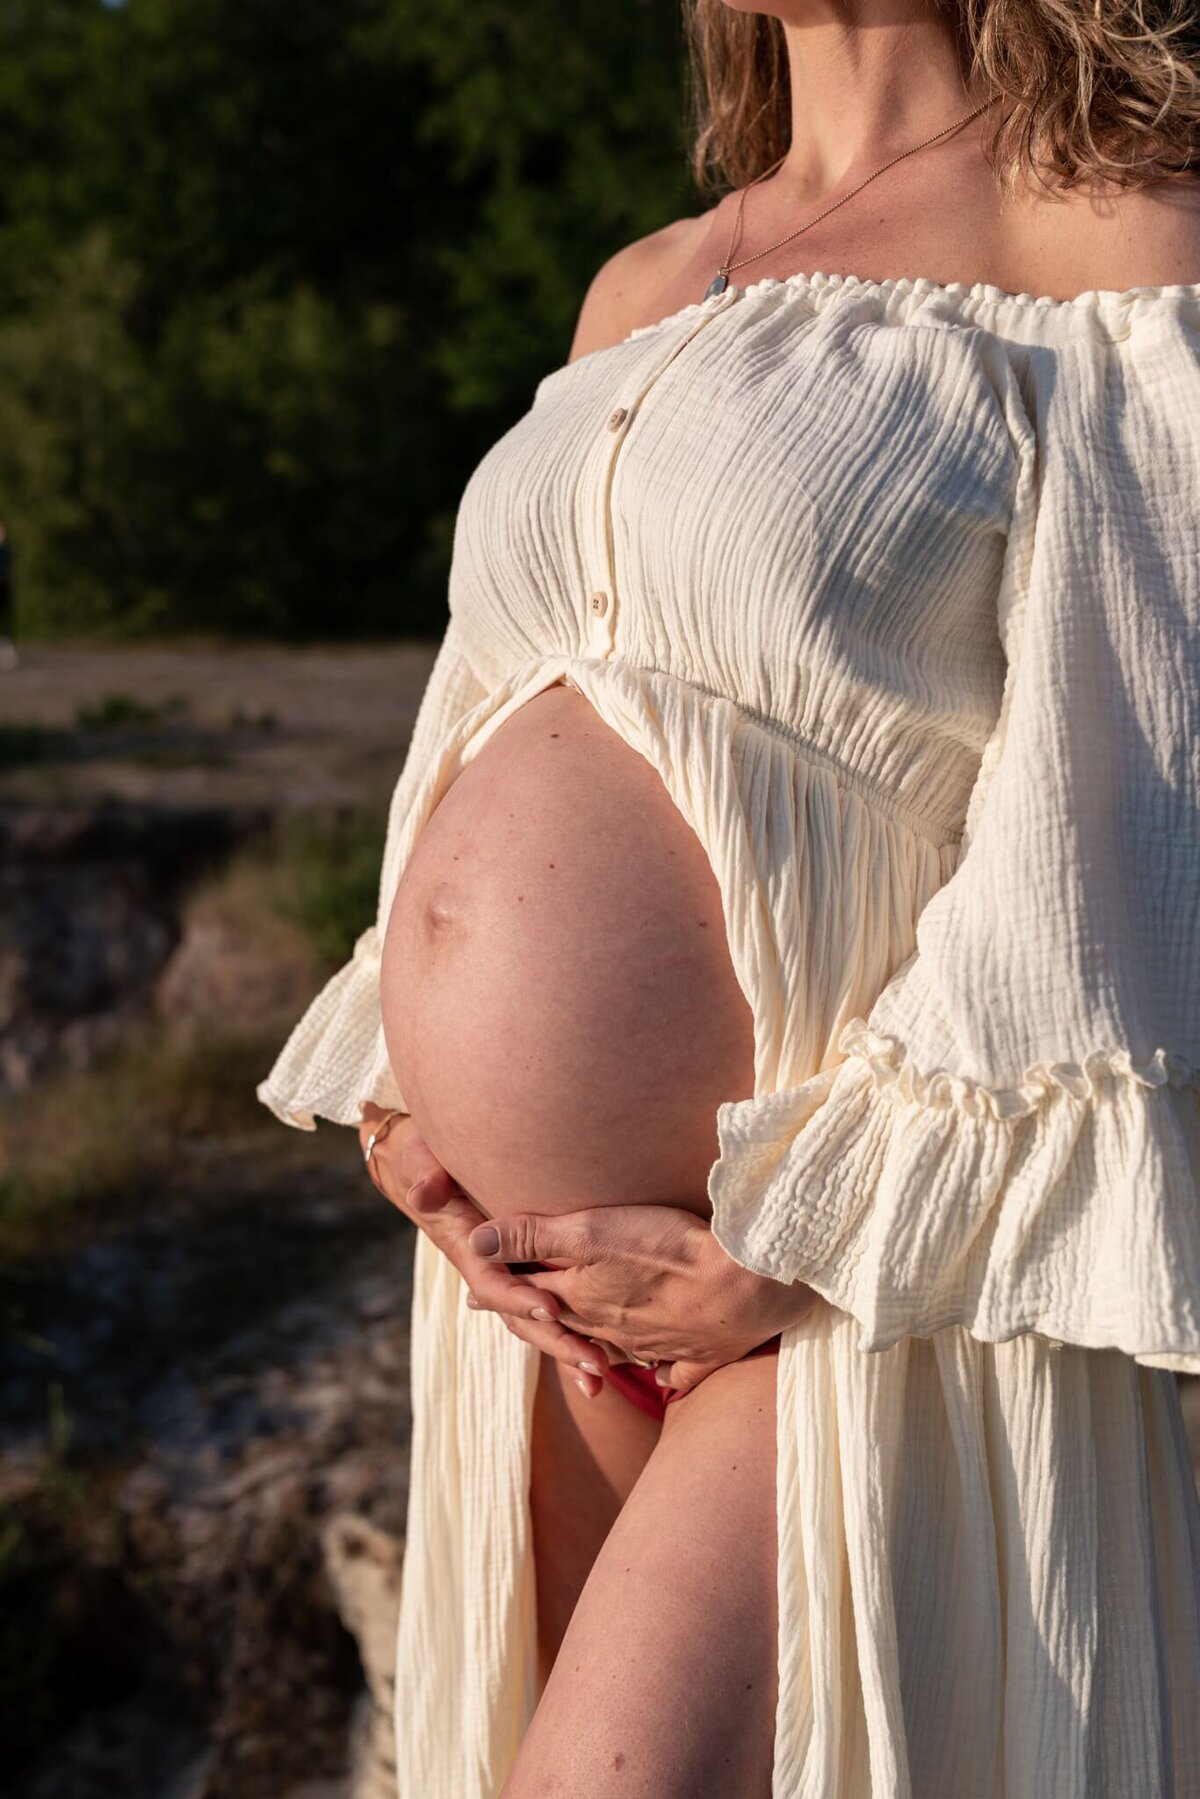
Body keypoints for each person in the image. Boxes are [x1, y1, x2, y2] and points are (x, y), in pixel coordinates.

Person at [258, 1, 1200, 1793]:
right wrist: (411, 1092)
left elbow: (1127, 810)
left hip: (845, 1289)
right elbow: (486, 714)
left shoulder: (1115, 232)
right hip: (530, 1299)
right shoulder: (644, 284)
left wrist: (822, 1231)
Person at [0, 521, 17, 670]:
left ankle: (7, 651)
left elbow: (9, 569)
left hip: (4, 587)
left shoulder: (6, 550)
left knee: (6, 619)